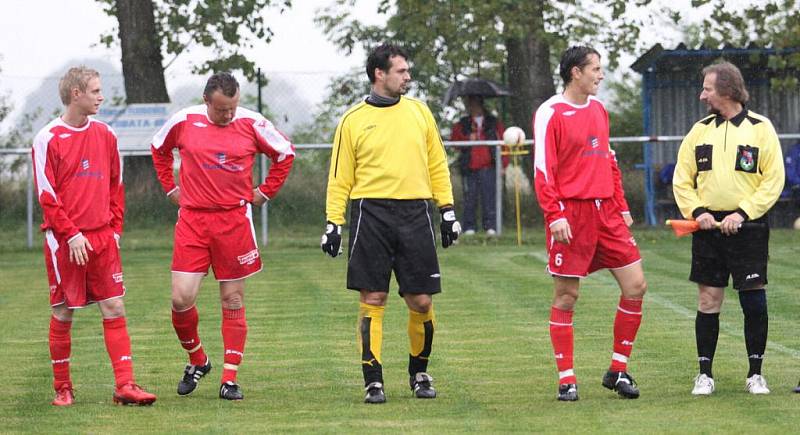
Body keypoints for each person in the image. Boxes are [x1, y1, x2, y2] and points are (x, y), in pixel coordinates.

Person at [321, 43, 461, 404]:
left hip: (416, 213)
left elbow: (437, 164)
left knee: (422, 301)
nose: (407, 76)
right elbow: (340, 178)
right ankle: (373, 379)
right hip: (372, 214)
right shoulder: (352, 120)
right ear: (379, 74)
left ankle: (419, 372)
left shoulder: (420, 112)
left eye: (407, 70)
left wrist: (446, 209)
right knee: (374, 296)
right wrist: (333, 222)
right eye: (401, 71)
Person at [151, 72, 295, 401]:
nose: (228, 115)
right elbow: (158, 149)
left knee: (232, 299)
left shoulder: (252, 123)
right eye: (221, 110)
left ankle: (229, 379)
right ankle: (198, 360)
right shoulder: (184, 121)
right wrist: (170, 187)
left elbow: (285, 154)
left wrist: (265, 191)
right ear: (206, 102)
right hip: (193, 221)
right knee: (181, 298)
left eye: (232, 108)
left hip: (234, 222)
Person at [32, 66, 157, 406]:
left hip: (102, 239)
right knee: (63, 311)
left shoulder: (106, 134)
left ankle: (125, 386)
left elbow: (117, 186)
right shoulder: (47, 138)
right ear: (76, 94)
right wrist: (71, 235)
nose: (101, 97)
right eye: (96, 91)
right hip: (65, 242)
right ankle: (63, 388)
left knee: (114, 306)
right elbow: (47, 196)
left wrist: (115, 231)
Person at [533, 46, 646, 401]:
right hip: (571, 215)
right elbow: (542, 169)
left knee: (636, 286)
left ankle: (618, 369)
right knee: (567, 296)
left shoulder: (599, 109)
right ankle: (566, 378)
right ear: (575, 72)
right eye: (595, 69)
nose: (600, 75)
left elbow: (609, 160)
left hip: (606, 214)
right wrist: (555, 216)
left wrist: (621, 205)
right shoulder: (551, 112)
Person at [673, 61, 784, 396]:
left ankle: (756, 374)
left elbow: (773, 180)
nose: (701, 95)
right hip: (708, 229)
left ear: (727, 90)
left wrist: (743, 213)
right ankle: (704, 375)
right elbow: (682, 180)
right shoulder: (699, 131)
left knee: (753, 300)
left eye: (707, 89)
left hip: (748, 228)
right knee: (708, 299)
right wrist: (698, 211)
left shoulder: (760, 128)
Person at [450, 95, 507, 235]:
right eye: (470, 105)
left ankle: (491, 227)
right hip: (469, 167)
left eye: (475, 104)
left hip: (489, 166)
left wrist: (503, 165)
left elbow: (504, 145)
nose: (472, 107)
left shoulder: (494, 123)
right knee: (470, 198)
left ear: (481, 105)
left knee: (489, 198)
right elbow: (454, 143)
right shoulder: (462, 124)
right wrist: (467, 138)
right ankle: (469, 227)